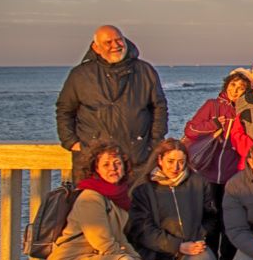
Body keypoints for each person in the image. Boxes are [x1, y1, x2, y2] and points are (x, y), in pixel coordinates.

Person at [47, 141, 160, 260]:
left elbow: (120, 238)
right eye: (106, 165)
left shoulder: (115, 197)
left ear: (125, 166)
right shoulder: (90, 198)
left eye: (117, 163)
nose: (113, 169)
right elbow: (104, 244)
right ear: (96, 169)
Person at [55, 25, 168, 179]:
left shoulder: (144, 71)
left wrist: (154, 143)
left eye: (119, 40)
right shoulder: (80, 75)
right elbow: (64, 110)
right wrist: (71, 142)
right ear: (96, 47)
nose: (115, 45)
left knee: (135, 202)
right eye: (108, 42)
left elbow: (159, 108)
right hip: (92, 160)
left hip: (136, 158)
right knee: (92, 202)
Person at [128, 139, 221, 260]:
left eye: (181, 162)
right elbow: (143, 230)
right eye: (171, 161)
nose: (175, 167)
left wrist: (200, 235)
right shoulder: (144, 189)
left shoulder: (198, 182)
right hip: (159, 253)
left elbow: (211, 216)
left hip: (191, 245)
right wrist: (176, 245)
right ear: (160, 159)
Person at [183, 67, 250, 260]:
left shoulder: (245, 109)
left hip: (233, 174)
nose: (236, 90)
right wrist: (215, 125)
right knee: (210, 223)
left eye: (241, 88)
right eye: (233, 85)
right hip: (208, 173)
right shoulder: (212, 105)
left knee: (229, 223)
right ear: (226, 85)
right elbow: (191, 128)